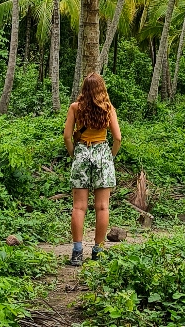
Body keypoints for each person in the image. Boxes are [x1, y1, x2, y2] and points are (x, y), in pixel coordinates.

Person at [63, 72, 122, 266]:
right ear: (101, 89)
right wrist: (109, 156)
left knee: (79, 206)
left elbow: (67, 137)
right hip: (102, 154)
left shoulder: (75, 108)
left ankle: (77, 252)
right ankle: (98, 251)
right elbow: (118, 138)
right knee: (102, 206)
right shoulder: (108, 108)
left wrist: (74, 154)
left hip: (82, 153)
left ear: (84, 89)